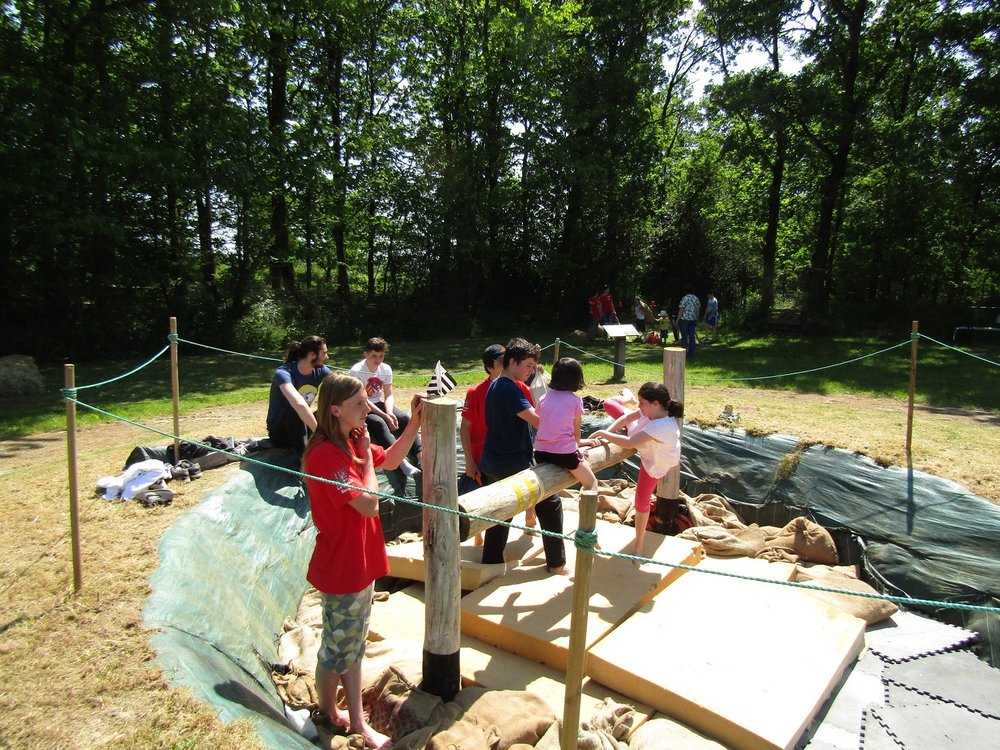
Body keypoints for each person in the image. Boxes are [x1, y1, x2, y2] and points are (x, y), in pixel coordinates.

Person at [302, 374, 424, 749]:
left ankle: (338, 712)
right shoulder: (324, 454)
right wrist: (368, 457)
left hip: (361, 560)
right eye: (358, 404)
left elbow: (393, 460)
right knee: (341, 649)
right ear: (335, 410)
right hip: (343, 566)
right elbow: (369, 503)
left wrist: (414, 424)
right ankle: (348, 719)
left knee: (348, 645)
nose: (367, 409)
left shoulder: (351, 440)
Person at [480, 338, 566, 573]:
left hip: (495, 460)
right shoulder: (509, 388)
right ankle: (556, 564)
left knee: (501, 514)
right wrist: (569, 435)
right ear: (513, 362)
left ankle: (491, 563)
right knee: (550, 504)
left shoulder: (497, 384)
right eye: (528, 365)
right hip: (512, 463)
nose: (531, 371)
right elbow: (539, 422)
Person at [591, 382, 682, 559]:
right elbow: (626, 419)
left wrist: (604, 434)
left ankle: (638, 545)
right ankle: (626, 397)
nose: (640, 407)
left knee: (641, 501)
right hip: (639, 434)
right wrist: (608, 433)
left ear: (656, 404)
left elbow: (630, 443)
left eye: (642, 403)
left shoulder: (661, 426)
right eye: (639, 402)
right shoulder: (649, 411)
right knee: (608, 404)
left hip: (653, 463)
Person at [350, 337, 421, 487]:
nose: (378, 360)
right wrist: (385, 416)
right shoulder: (356, 371)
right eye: (374, 356)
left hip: (379, 403)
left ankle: (420, 454)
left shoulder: (386, 369)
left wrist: (390, 412)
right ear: (365, 354)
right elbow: (363, 399)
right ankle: (402, 462)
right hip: (362, 406)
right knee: (379, 423)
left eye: (381, 356)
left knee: (404, 417)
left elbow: (388, 394)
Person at [533, 358, 599, 492]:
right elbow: (576, 432)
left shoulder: (543, 398)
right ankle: (588, 504)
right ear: (577, 378)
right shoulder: (575, 401)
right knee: (591, 483)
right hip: (564, 455)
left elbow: (545, 424)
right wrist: (577, 449)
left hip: (540, 452)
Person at [266, 336, 333, 451]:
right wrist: (320, 433)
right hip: (280, 429)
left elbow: (340, 386)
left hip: (303, 422)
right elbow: (299, 404)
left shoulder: (321, 370)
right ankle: (303, 453)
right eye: (324, 353)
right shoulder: (283, 373)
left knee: (333, 410)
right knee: (296, 412)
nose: (327, 357)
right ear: (312, 355)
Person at [677, 292, 701, 359]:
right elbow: (698, 309)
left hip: (684, 320)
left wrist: (678, 319)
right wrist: (697, 318)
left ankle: (684, 353)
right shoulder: (696, 298)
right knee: (692, 337)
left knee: (684, 337)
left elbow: (681, 309)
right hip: (693, 320)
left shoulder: (685, 298)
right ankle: (692, 353)